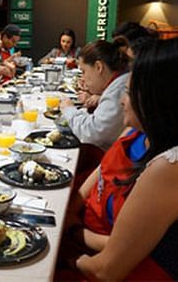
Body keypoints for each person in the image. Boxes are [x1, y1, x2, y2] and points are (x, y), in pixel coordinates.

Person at [76, 36, 178, 280]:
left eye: (128, 91)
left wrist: (71, 244)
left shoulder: (173, 167)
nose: (121, 100)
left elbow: (105, 270)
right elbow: (100, 175)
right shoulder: (144, 133)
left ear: (161, 99)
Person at [58, 73, 149, 270]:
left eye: (127, 93)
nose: (122, 102)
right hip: (81, 225)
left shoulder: (165, 168)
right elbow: (103, 169)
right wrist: (71, 209)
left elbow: (123, 250)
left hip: (94, 253)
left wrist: (74, 232)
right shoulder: (135, 131)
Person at [60, 39, 130, 151]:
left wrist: (69, 109)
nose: (82, 78)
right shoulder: (119, 82)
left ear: (98, 67)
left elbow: (91, 133)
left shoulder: (118, 90)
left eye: (83, 71)